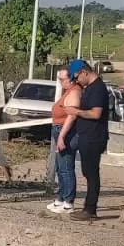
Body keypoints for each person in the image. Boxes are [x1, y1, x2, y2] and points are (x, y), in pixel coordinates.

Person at [66, 59, 110, 220]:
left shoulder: (98, 89)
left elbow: (95, 113)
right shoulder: (91, 88)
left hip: (94, 137)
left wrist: (75, 111)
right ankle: (88, 207)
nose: (77, 81)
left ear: (84, 72)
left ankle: (90, 209)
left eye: (77, 78)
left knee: (91, 173)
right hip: (87, 136)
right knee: (88, 171)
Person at [48, 68, 80, 213]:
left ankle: (68, 201)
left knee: (66, 167)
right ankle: (60, 199)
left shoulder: (74, 92)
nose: (60, 83)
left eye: (62, 79)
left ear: (71, 78)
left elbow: (71, 116)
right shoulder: (67, 91)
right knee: (60, 167)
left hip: (66, 132)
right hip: (59, 129)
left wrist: (61, 137)